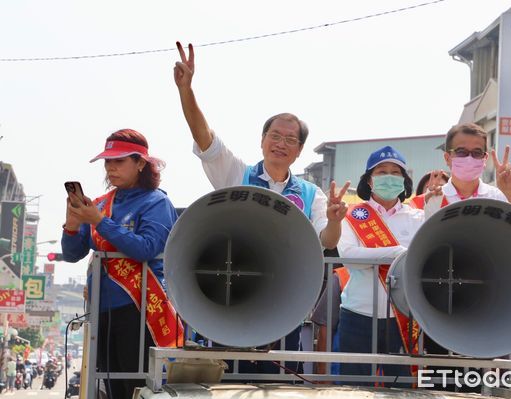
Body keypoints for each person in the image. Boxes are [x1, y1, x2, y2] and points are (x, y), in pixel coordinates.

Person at [173, 42, 349, 250]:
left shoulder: (312, 194)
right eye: (275, 136)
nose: (281, 144)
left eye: (290, 140)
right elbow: (205, 139)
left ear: (299, 150)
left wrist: (335, 221)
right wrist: (186, 90)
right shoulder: (237, 175)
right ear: (262, 140)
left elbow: (327, 241)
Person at [61, 129, 180, 399]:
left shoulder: (157, 202)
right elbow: (71, 254)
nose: (111, 168)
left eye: (119, 161)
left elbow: (146, 248)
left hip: (140, 309)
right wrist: (72, 224)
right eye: (108, 162)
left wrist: (99, 221)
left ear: (140, 163)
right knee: (110, 385)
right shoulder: (101, 204)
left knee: (138, 386)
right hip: (102, 310)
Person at [337, 146, 424, 384]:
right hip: (358, 313)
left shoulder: (418, 218)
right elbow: (349, 256)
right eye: (381, 171)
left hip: (403, 316)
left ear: (405, 180)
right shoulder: (351, 215)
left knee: (402, 387)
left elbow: (421, 259)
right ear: (369, 180)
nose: (389, 176)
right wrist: (398, 253)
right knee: (353, 387)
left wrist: (373, 257)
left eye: (395, 172)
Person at [425, 123, 511, 217]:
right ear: (447, 158)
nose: (469, 158)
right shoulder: (434, 197)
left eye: (477, 153)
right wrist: (427, 203)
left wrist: (509, 192)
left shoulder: (496, 197)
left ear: (485, 158)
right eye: (461, 152)